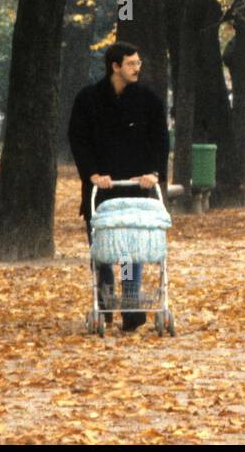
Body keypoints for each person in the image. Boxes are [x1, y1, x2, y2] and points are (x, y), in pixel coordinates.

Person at [67, 42, 169, 332]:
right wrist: (92, 174)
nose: (138, 68)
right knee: (102, 248)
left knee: (129, 248)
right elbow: (79, 139)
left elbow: (160, 139)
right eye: (131, 64)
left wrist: (155, 173)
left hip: (135, 185)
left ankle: (131, 303)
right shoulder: (88, 100)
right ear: (115, 66)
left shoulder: (148, 101)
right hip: (101, 186)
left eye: (138, 63)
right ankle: (105, 300)